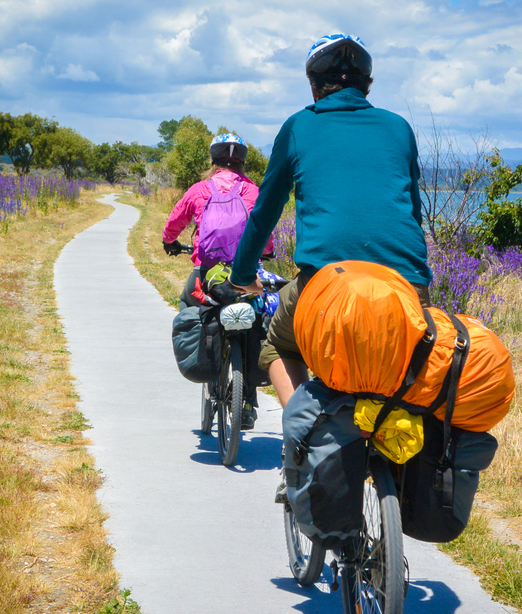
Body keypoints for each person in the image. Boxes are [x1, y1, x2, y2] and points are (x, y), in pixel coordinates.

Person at [229, 33, 433, 408]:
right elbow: (414, 214)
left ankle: (302, 440)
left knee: (275, 343)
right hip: (408, 288)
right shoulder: (398, 128)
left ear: (313, 86)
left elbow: (265, 213)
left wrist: (242, 274)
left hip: (327, 287)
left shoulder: (298, 127)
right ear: (367, 86)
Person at [162, 133, 273, 428]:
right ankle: (247, 400)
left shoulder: (200, 190)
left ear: (213, 161)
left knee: (190, 303)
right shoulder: (252, 191)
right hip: (245, 274)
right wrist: (269, 251)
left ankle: (204, 358)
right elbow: (265, 229)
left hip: (207, 272)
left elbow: (174, 223)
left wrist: (169, 242)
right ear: (242, 164)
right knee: (255, 321)